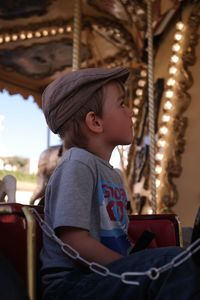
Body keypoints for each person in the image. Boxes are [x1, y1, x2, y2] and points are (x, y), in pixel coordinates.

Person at [40, 67, 200, 300]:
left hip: (102, 277)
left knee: (180, 260)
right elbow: (73, 240)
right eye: (122, 104)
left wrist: (136, 259)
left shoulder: (112, 174)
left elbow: (115, 236)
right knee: (171, 263)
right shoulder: (78, 164)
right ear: (95, 122)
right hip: (72, 284)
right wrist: (133, 266)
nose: (131, 112)